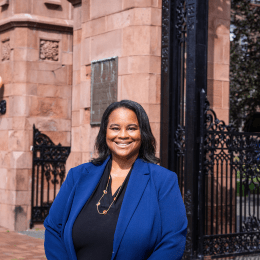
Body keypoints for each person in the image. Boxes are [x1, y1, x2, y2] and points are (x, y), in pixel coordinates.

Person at [44, 100, 187, 260]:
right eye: (115, 128)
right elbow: (53, 228)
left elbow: (173, 240)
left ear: (143, 133)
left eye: (132, 128)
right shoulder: (78, 175)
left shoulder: (163, 180)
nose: (123, 135)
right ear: (105, 132)